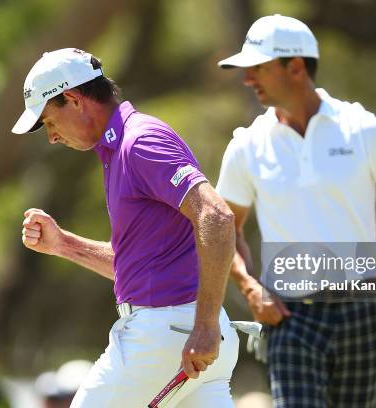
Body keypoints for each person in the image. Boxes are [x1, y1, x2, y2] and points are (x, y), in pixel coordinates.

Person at [216, 14, 376, 408]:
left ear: (296, 67)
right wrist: (251, 289)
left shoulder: (362, 129)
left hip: (362, 307)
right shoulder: (247, 146)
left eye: (259, 68)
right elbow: (224, 229)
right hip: (289, 315)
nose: (249, 80)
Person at [12, 48, 239, 407]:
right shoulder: (118, 151)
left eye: (50, 122)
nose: (52, 137)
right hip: (190, 338)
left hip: (165, 338)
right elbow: (142, 268)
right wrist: (64, 245)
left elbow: (217, 217)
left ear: (72, 99)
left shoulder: (140, 142)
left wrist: (205, 325)